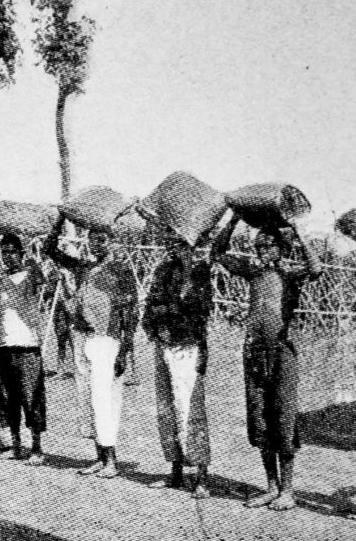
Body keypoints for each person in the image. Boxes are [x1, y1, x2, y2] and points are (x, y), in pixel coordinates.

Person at [211, 212, 321, 511]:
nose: (261, 250)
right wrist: (233, 221)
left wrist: (297, 229)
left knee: (283, 418)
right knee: (260, 420)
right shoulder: (252, 271)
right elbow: (217, 253)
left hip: (282, 353)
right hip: (254, 352)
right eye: (258, 246)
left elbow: (316, 268)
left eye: (268, 245)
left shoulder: (289, 273)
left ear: (281, 249)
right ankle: (271, 487)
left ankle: (288, 491)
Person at [44, 217, 139, 478]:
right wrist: (60, 220)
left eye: (102, 239)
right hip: (82, 337)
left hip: (106, 339)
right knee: (86, 399)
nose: (97, 244)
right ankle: (99, 457)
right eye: (92, 239)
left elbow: (131, 312)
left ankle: (111, 461)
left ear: (111, 242)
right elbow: (50, 250)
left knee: (104, 399)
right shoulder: (83, 267)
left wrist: (125, 350)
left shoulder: (120, 270)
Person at [143, 225, 213, 498]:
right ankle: (175, 470)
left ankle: (201, 476)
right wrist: (156, 324)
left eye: (180, 244)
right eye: (170, 243)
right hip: (164, 343)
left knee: (190, 409)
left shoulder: (199, 271)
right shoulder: (163, 270)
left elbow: (196, 308)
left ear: (190, 245)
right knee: (167, 409)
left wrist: (169, 308)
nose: (173, 249)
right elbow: (151, 304)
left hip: (188, 345)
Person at [0, 233, 48, 465]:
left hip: (27, 346)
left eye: (13, 252)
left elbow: (42, 278)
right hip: (4, 346)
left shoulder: (30, 275)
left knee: (31, 397)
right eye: (4, 252)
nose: (8, 257)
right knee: (7, 398)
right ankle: (15, 445)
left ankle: (36, 448)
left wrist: (32, 254)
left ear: (21, 253)